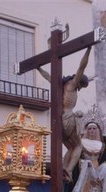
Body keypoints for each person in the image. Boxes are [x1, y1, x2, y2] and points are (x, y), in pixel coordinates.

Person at [37, 47, 91, 183]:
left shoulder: (60, 85)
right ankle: (69, 170)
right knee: (78, 146)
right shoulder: (72, 84)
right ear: (79, 81)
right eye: (82, 86)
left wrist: (38, 68)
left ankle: (63, 168)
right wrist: (88, 49)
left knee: (71, 147)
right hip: (68, 119)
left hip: (57, 121)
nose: (80, 89)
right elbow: (81, 67)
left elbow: (48, 76)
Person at [66, 105, 106, 192]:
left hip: (99, 174)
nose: (91, 131)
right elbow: (74, 155)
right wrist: (84, 164)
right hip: (83, 171)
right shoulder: (81, 142)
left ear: (98, 130)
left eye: (94, 128)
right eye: (89, 129)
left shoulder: (103, 144)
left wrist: (104, 167)